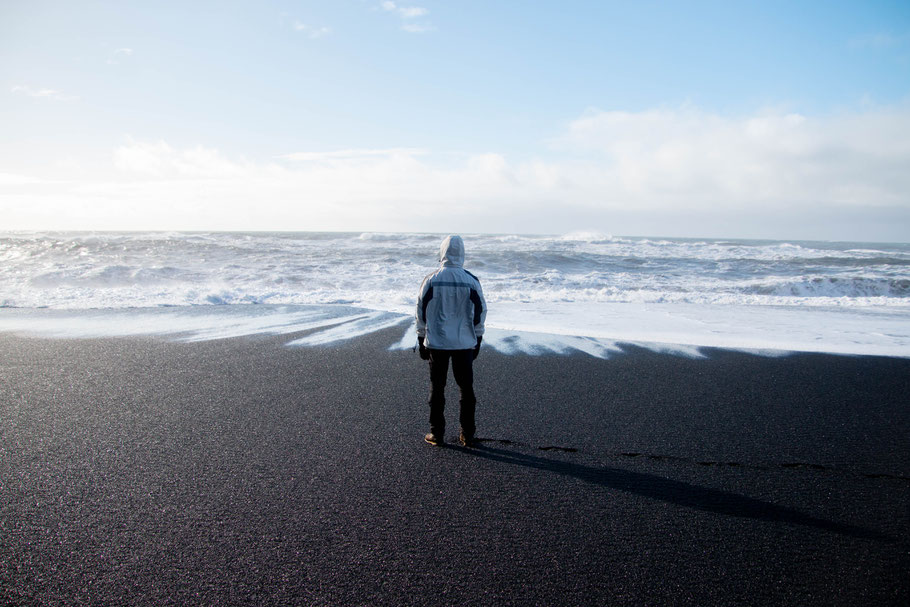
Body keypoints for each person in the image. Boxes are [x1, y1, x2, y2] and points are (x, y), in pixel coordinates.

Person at [416, 235, 487, 447]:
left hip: (437, 343)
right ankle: (468, 434)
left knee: (437, 388)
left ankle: (436, 433)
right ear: (462, 253)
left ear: (442, 252)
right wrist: (478, 337)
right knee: (466, 389)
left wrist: (421, 338)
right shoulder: (471, 280)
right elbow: (480, 312)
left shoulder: (431, 280)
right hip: (464, 342)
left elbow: (421, 312)